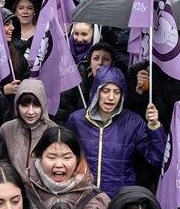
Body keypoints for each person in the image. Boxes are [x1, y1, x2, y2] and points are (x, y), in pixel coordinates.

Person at [66, 66, 164, 196]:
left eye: (117, 92)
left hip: (119, 199)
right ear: (96, 92)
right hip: (83, 197)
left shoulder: (133, 122)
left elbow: (157, 159)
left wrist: (154, 126)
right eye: (106, 91)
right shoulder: (76, 120)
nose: (111, 97)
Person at [0, 80, 52, 176]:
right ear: (17, 105)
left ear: (43, 105)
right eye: (25, 105)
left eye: (36, 105)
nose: (30, 111)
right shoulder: (6, 129)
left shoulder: (53, 130)